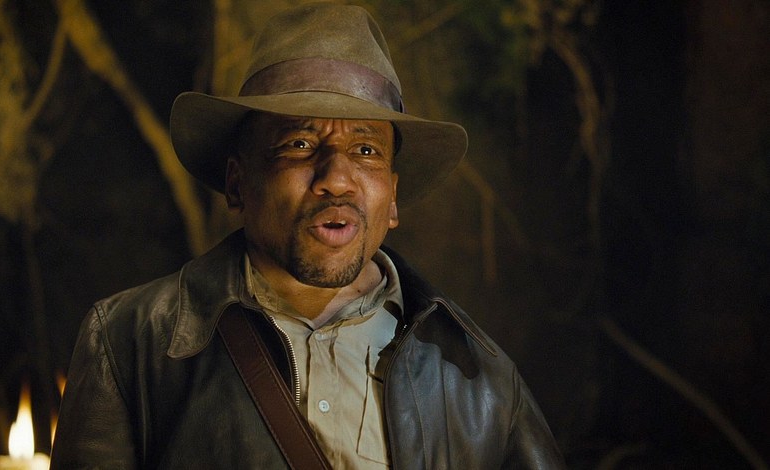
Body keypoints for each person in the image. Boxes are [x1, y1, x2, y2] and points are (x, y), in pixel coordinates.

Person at [50, 3, 564, 469]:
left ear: (392, 198)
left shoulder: (482, 380)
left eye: (366, 151)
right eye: (298, 143)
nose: (336, 179)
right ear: (238, 184)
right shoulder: (129, 345)